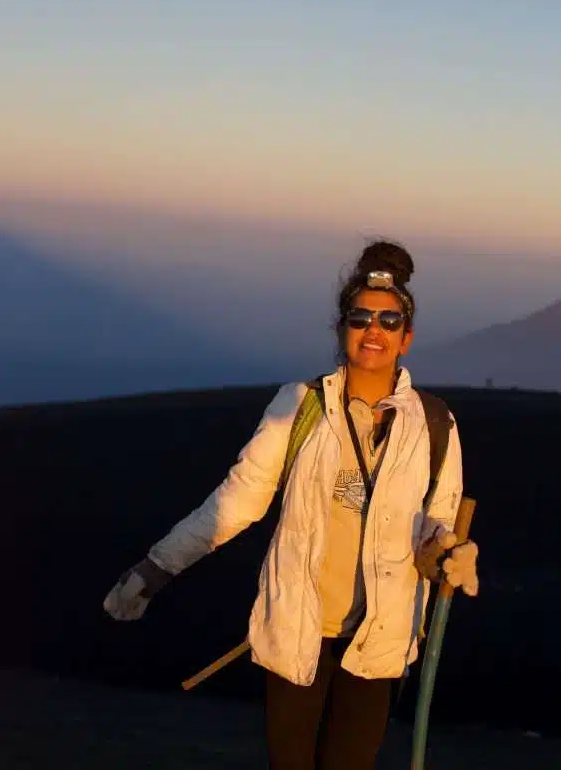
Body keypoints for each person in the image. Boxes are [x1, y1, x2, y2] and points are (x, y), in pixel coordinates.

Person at [104, 239, 478, 769]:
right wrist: (157, 566)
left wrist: (445, 552)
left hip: (379, 641)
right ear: (342, 328)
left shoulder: (434, 425)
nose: (374, 329)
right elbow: (235, 503)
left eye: (389, 320)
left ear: (406, 338)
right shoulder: (299, 407)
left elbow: (434, 522)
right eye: (360, 316)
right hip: (296, 629)